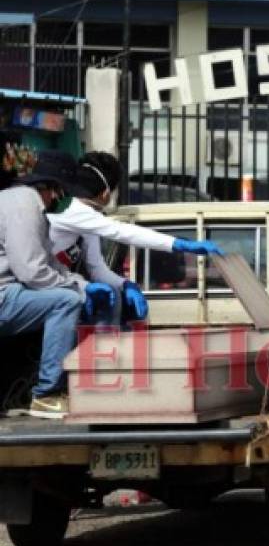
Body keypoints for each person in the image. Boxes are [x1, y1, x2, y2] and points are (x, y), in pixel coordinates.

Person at [0, 151, 115, 418]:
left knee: (67, 295)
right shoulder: (24, 206)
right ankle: (46, 394)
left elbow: (49, 262)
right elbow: (32, 272)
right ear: (51, 189)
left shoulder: (22, 202)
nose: (60, 200)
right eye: (61, 193)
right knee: (66, 302)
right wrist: (77, 290)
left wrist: (83, 285)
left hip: (8, 290)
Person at [48, 152, 224, 323]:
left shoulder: (87, 219)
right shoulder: (75, 210)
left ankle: (104, 349)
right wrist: (178, 244)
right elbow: (124, 232)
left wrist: (125, 284)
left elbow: (97, 268)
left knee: (113, 295)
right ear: (106, 194)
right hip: (43, 285)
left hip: (58, 281)